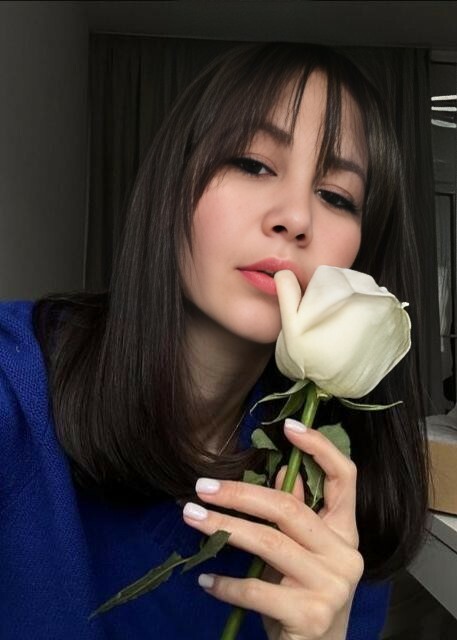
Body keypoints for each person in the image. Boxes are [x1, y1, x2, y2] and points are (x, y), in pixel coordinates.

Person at [0, 43, 428, 640]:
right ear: (174, 182)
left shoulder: (338, 502)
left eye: (336, 196)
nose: (296, 218)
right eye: (253, 163)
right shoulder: (15, 382)